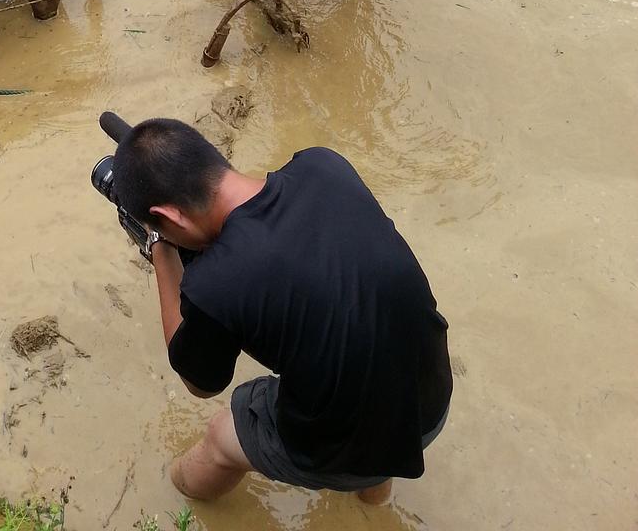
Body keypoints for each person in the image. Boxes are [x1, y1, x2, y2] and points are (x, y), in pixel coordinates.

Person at [112, 118, 453, 505]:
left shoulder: (215, 284)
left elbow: (200, 384)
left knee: (222, 436)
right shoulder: (324, 166)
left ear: (170, 217)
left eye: (164, 226)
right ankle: (373, 506)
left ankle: (176, 498)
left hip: (349, 447)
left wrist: (160, 248)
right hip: (429, 398)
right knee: (362, 350)